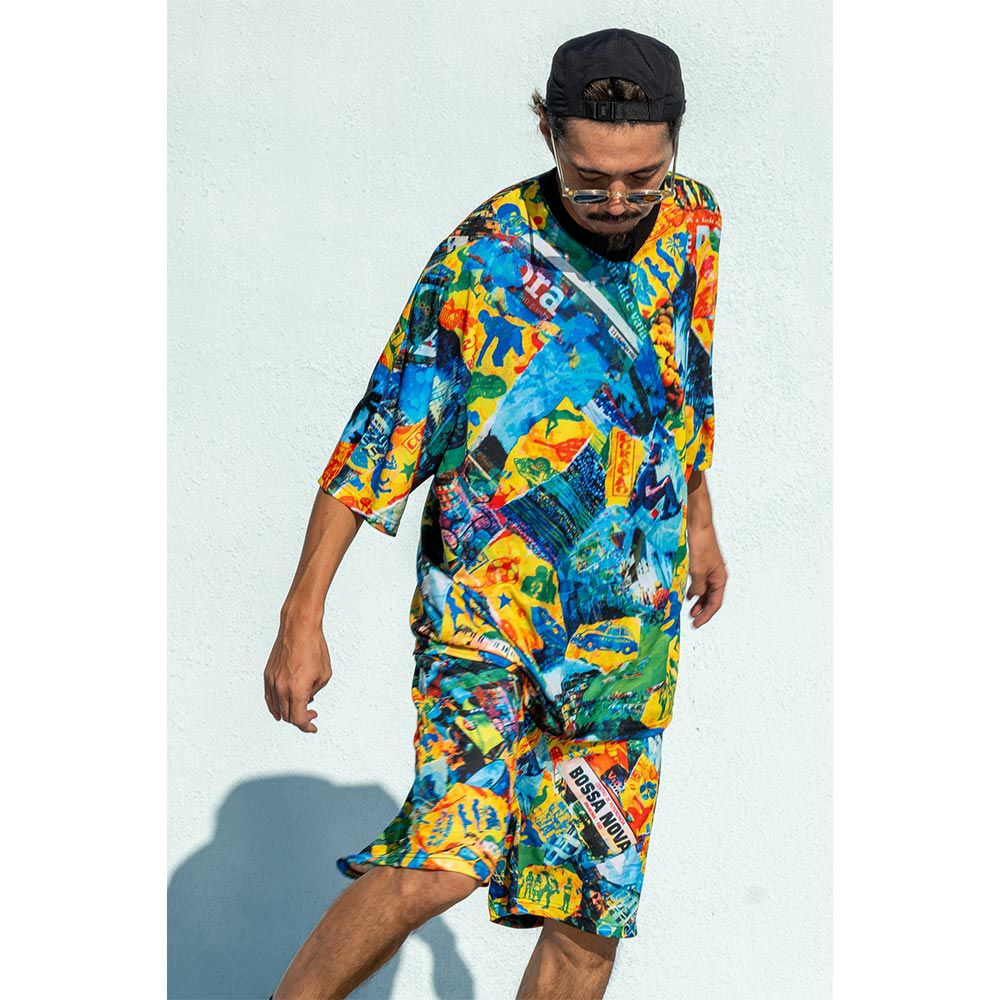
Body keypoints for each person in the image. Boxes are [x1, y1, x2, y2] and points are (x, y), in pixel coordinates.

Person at [264, 27, 728, 1000]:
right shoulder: (484, 259)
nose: (616, 200)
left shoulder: (694, 222)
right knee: (445, 858)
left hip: (624, 630)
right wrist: (302, 611)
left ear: (674, 147)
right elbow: (382, 432)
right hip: (486, 614)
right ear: (548, 133)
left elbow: (676, 379)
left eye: (640, 178)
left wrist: (698, 516)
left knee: (589, 905)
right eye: (589, 177)